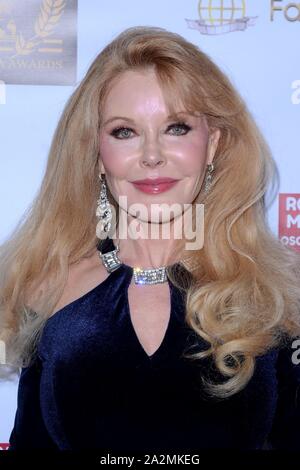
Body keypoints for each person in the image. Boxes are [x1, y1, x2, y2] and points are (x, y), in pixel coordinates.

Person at [1, 25, 300, 452]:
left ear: (212, 144)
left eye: (176, 127)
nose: (152, 155)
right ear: (97, 154)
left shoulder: (280, 294)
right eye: (125, 131)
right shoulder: (46, 289)